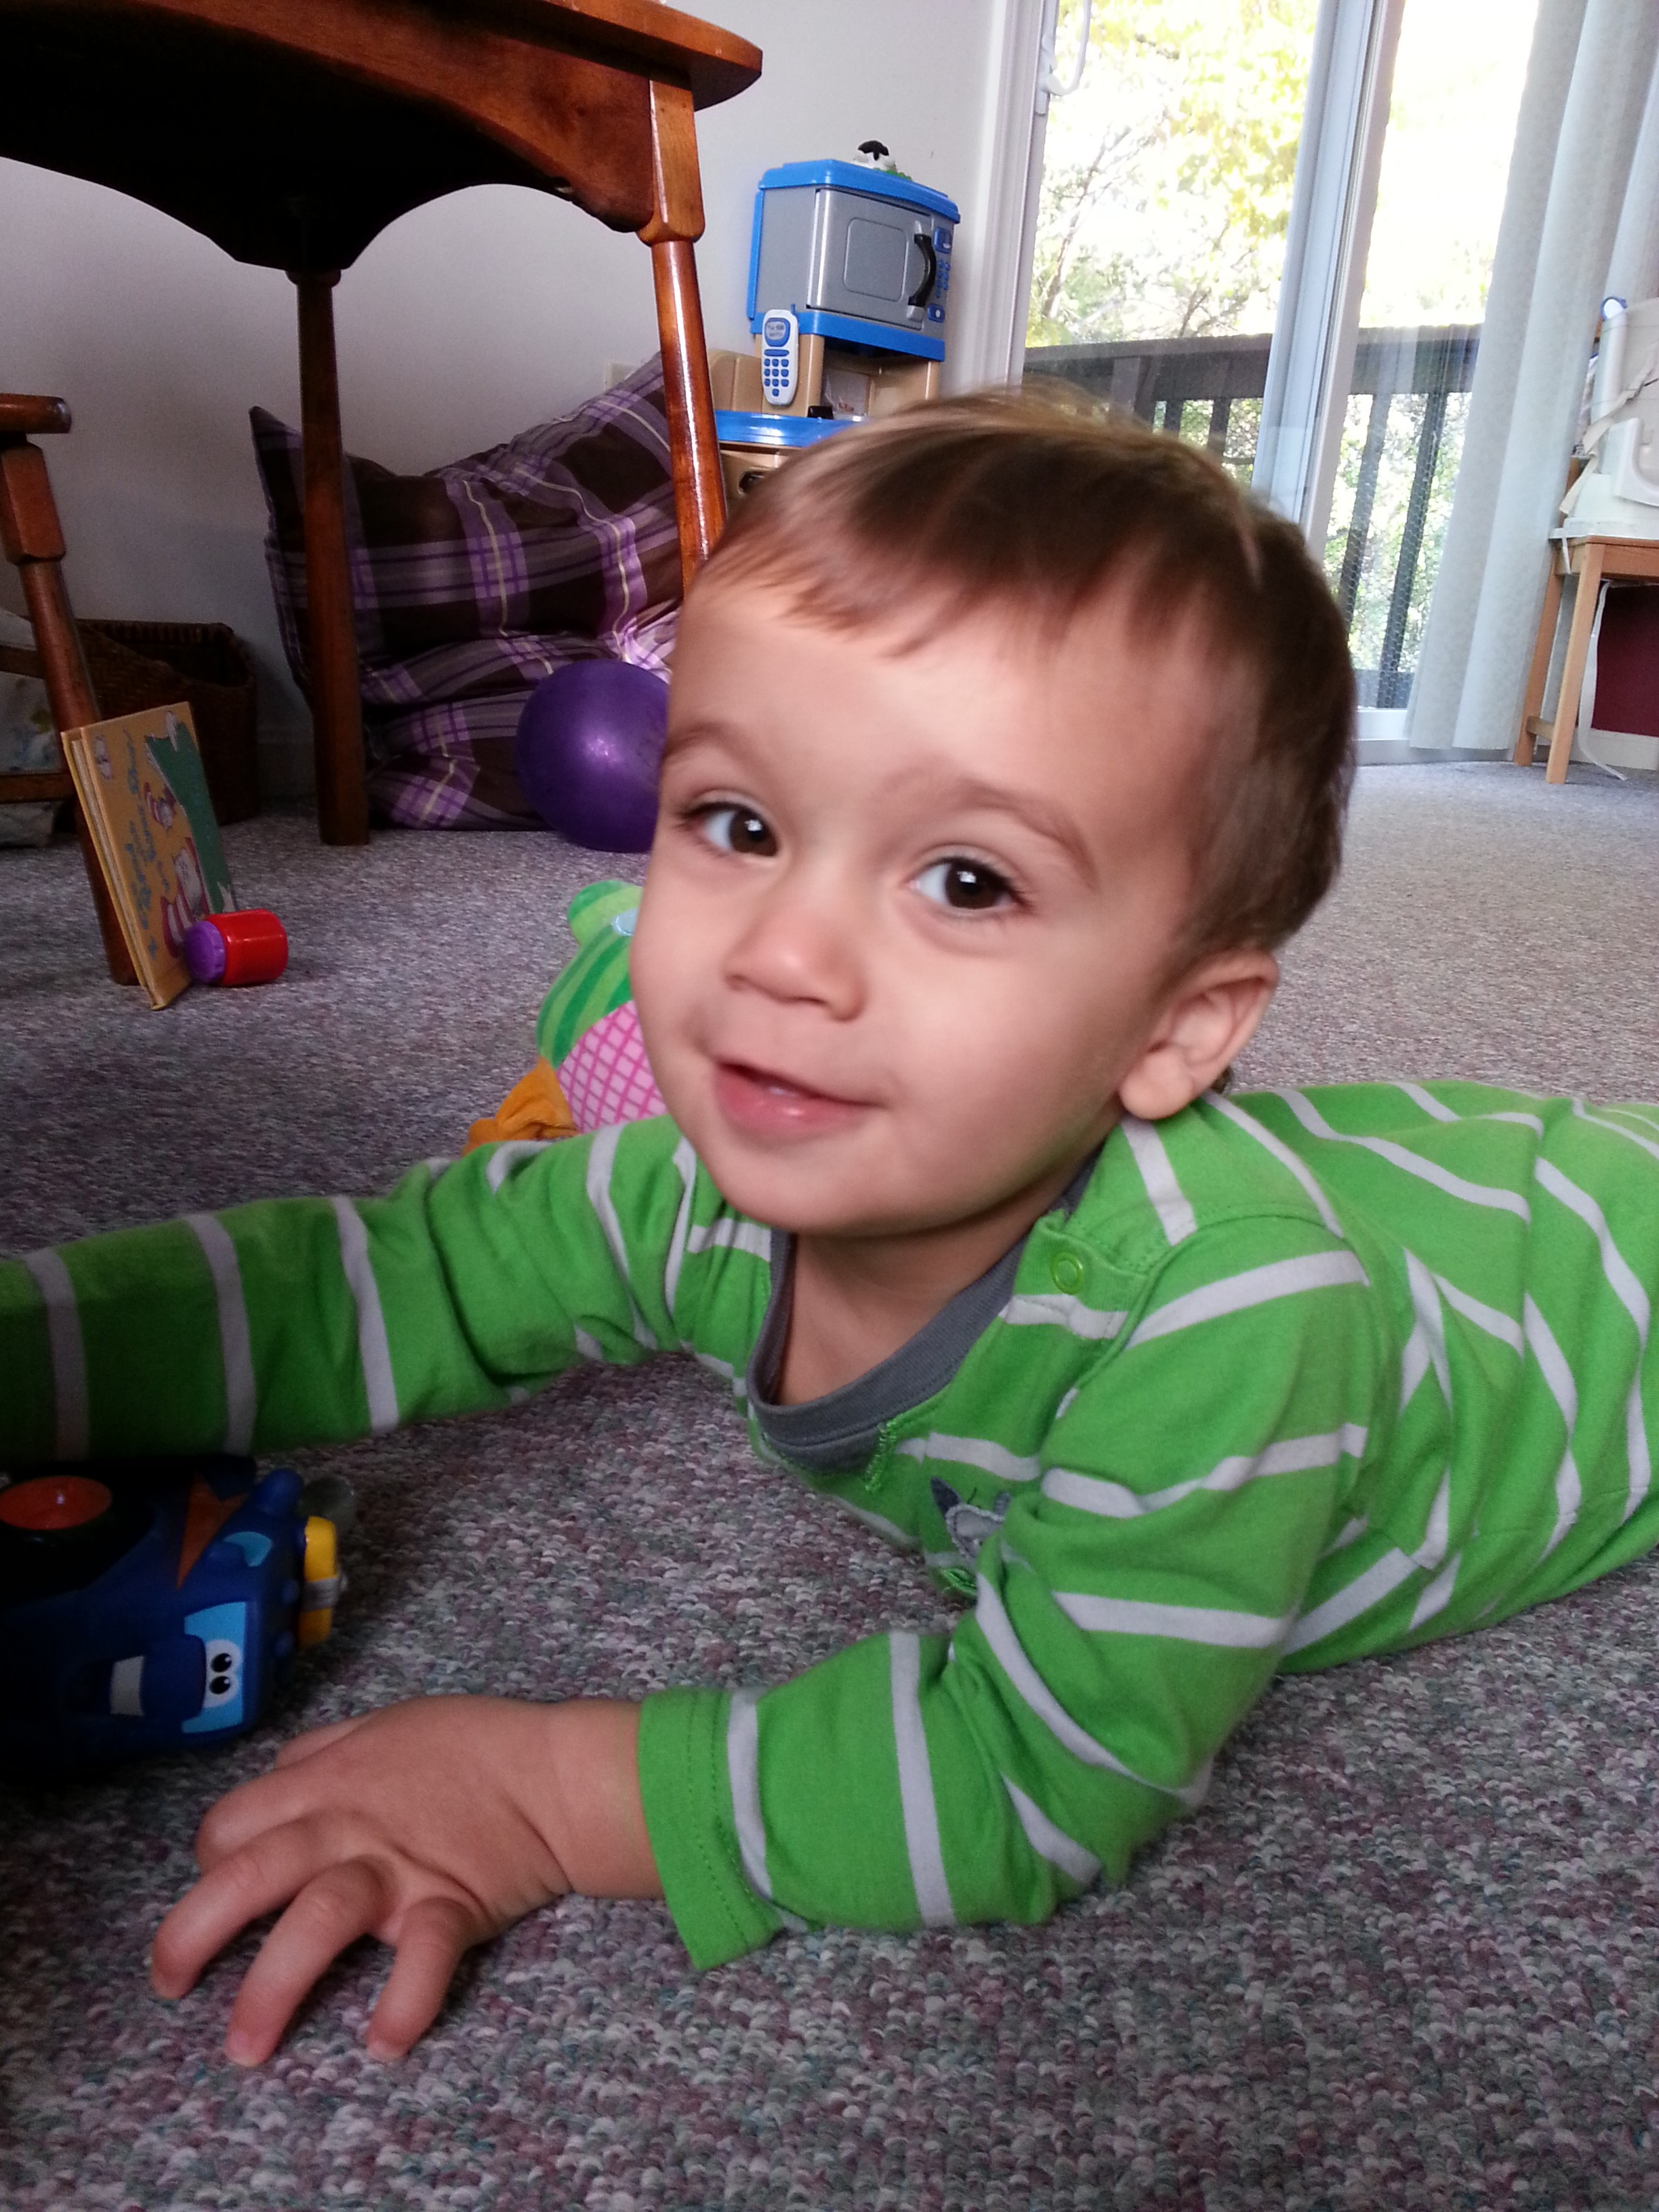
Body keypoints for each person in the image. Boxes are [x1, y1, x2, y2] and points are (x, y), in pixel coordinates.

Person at [4, 398, 1657, 2070]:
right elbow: (391, 1277)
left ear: (1175, 1028)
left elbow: (1037, 1776)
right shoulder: (695, 1190)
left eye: (966, 882)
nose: (783, 953)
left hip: (1605, 1288)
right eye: (738, 824)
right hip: (1437, 1183)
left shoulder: (1230, 1313)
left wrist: (544, 1793)